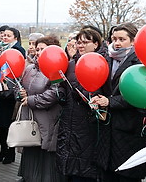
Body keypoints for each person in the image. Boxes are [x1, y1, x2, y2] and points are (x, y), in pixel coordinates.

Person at [91, 23, 146, 182]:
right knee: (107, 172)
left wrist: (110, 102)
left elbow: (140, 94)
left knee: (126, 173)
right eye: (114, 39)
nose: (116, 43)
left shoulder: (141, 63)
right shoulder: (106, 58)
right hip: (107, 126)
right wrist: (96, 96)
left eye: (122, 39)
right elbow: (98, 82)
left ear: (132, 41)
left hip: (129, 126)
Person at [56, 28, 107, 181]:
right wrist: (62, 93)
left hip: (88, 122)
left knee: (84, 166)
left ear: (96, 44)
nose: (80, 45)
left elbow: (101, 91)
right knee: (68, 162)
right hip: (69, 119)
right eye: (78, 42)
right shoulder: (71, 64)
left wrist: (84, 96)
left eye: (85, 42)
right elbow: (63, 84)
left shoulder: (102, 62)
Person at [17, 35, 66, 182]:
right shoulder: (30, 68)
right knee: (30, 148)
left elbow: (55, 94)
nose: (38, 52)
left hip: (47, 119)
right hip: (30, 118)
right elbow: (19, 85)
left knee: (45, 153)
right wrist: (19, 93)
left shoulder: (56, 69)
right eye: (37, 49)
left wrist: (31, 100)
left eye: (42, 49)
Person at [0, 27, 26, 164]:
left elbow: (18, 71)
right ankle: (2, 150)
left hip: (12, 93)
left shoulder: (18, 50)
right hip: (1, 89)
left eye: (8, 35)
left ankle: (10, 152)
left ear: (15, 37)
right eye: (3, 35)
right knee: (1, 124)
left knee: (9, 124)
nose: (4, 37)